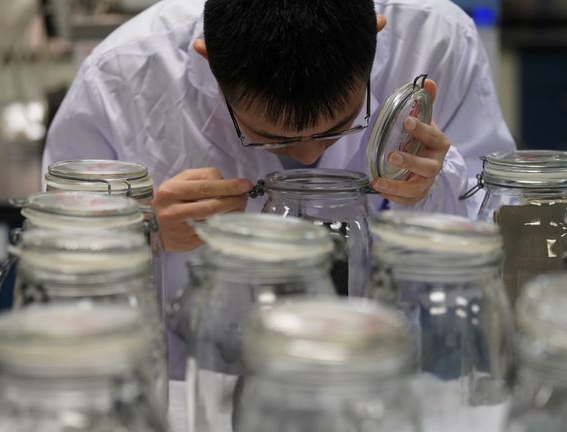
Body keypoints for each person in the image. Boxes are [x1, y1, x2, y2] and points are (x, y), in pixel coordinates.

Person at [43, 0, 515, 379]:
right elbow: (58, 258)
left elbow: (499, 221)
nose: (308, 157)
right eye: (271, 137)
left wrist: (440, 183)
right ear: (207, 57)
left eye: (339, 127)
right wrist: (143, 231)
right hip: (201, 377)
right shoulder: (121, 79)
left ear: (375, 34)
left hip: (389, 372)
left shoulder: (438, 40)